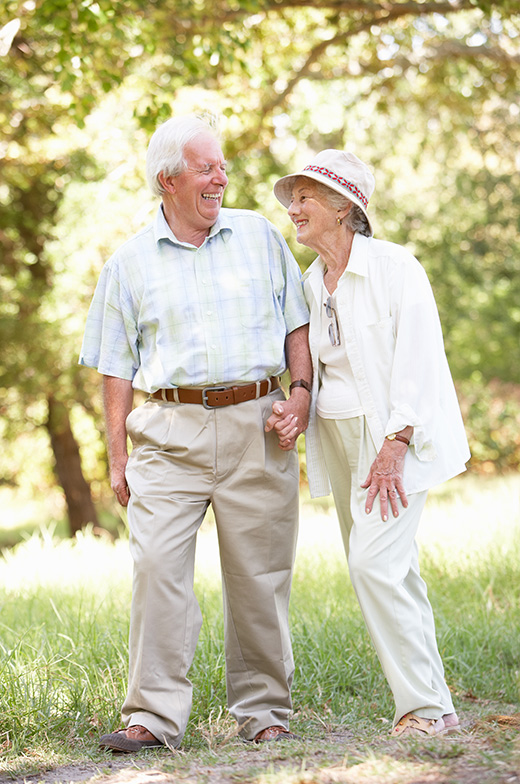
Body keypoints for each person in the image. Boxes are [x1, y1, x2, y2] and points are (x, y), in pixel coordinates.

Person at [79, 114, 312, 752]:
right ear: (168, 181)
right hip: (167, 432)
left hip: (256, 425)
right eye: (207, 168)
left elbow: (296, 325)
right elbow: (114, 368)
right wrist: (117, 458)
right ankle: (152, 718)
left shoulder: (261, 237)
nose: (221, 177)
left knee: (259, 574)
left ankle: (264, 710)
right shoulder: (127, 264)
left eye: (222, 166)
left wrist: (301, 393)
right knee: (156, 567)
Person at [273, 149, 470, 738]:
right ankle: (440, 704)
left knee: (373, 565)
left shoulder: (394, 267)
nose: (295, 209)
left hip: (394, 441)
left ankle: (422, 710)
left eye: (306, 197)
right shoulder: (310, 280)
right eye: (294, 199)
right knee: (394, 570)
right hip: (338, 439)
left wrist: (396, 441)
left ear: (344, 208)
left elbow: (418, 359)